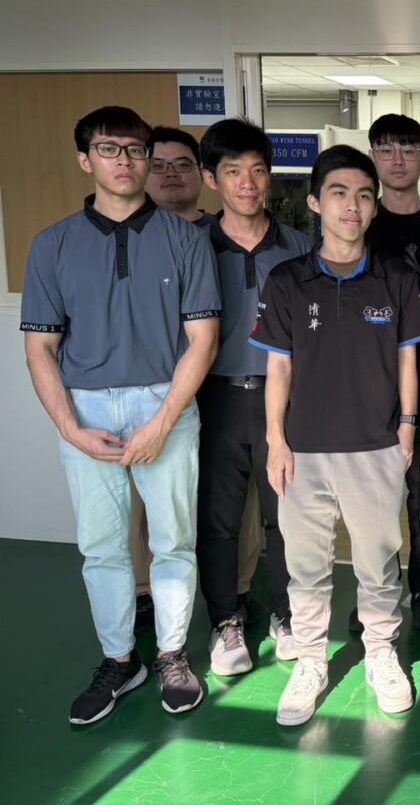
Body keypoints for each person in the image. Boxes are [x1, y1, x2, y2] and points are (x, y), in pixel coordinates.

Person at [21, 106, 219, 723]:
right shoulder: (53, 245)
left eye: (135, 150)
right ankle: (119, 660)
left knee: (173, 540)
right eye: (109, 149)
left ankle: (171, 655)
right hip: (86, 409)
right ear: (86, 160)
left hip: (166, 401)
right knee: (102, 547)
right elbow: (40, 348)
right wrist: (70, 428)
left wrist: (163, 420)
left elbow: (203, 339)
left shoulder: (185, 239)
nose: (125, 161)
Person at [252, 144, 420, 725]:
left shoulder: (396, 278)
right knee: (306, 567)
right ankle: (310, 660)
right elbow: (278, 367)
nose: (352, 205)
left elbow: (407, 359)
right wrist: (276, 441)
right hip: (303, 450)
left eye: (363, 195)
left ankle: (380, 652)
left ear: (375, 207)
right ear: (314, 203)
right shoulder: (287, 281)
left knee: (379, 562)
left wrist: (407, 427)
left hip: (375, 448)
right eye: (339, 193)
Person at [131, 126, 264, 635]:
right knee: (154, 502)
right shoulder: (140, 240)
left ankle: (236, 594)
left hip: (227, 392)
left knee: (233, 502)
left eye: (181, 164)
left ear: (201, 175)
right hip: (157, 393)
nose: (170, 174)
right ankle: (148, 593)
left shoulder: (218, 234)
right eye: (159, 164)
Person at [195, 119, 311, 676]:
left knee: (285, 517)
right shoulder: (194, 247)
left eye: (258, 170)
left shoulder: (298, 247)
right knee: (218, 521)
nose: (247, 183)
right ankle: (226, 622)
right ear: (211, 179)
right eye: (233, 171)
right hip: (214, 400)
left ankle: (287, 615)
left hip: (283, 400)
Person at [365, 112, 420, 632]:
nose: (398, 158)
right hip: (371, 380)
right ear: (373, 156)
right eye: (387, 148)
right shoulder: (359, 226)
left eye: (408, 148)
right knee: (375, 496)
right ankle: (378, 592)